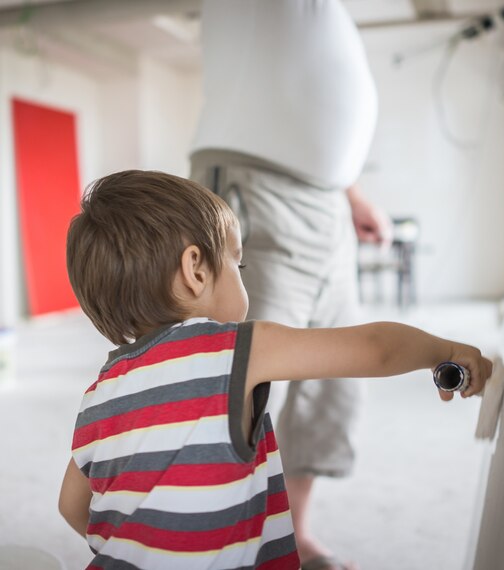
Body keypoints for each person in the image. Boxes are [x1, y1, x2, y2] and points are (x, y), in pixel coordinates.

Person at [58, 170, 493, 570]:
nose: (241, 273)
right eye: (237, 262)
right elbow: (375, 349)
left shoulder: (99, 393)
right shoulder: (239, 348)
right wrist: (442, 349)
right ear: (195, 270)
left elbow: (71, 507)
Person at [189, 2, 391, 567]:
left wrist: (349, 194)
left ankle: (290, 533)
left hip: (327, 203)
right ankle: (215, 544)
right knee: (239, 387)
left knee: (329, 387)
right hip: (254, 189)